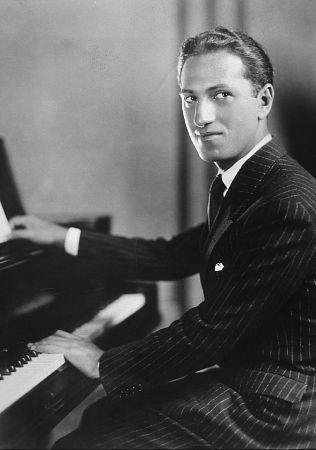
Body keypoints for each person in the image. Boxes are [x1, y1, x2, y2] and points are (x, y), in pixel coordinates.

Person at [9, 26, 316, 449]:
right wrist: (65, 237)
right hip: (249, 384)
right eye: (190, 98)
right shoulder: (247, 183)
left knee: (86, 442)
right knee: (104, 415)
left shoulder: (284, 202)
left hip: (272, 408)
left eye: (220, 94)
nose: (201, 116)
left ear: (263, 100)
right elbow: (170, 256)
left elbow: (212, 329)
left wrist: (103, 362)